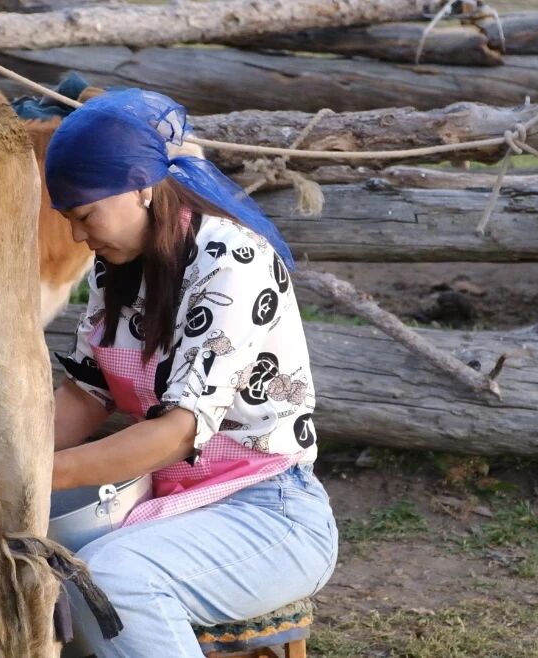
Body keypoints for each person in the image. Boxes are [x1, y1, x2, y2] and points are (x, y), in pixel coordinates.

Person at [44, 88, 338, 658]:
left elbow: (180, 431)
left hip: (272, 510)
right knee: (35, 570)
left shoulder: (231, 260)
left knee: (110, 581)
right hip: (169, 503)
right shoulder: (116, 269)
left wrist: (33, 475)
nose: (79, 236)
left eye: (84, 215)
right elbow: (85, 396)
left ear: (140, 187)